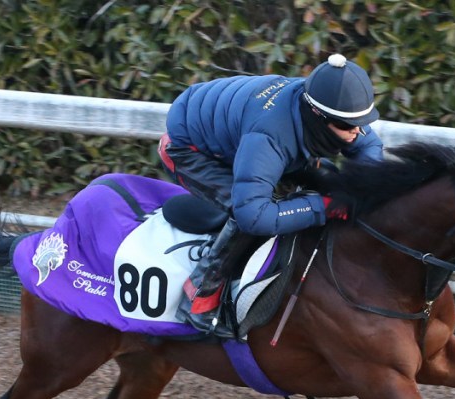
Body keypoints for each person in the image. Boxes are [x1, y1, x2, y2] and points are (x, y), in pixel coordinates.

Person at [158, 53, 385, 338]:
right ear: (317, 115)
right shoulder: (270, 136)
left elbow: (370, 150)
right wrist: (323, 207)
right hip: (190, 150)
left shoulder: (332, 108)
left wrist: (361, 189)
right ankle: (199, 297)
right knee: (245, 214)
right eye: (346, 126)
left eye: (362, 122)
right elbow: (252, 216)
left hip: (242, 135)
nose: (356, 132)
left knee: (329, 180)